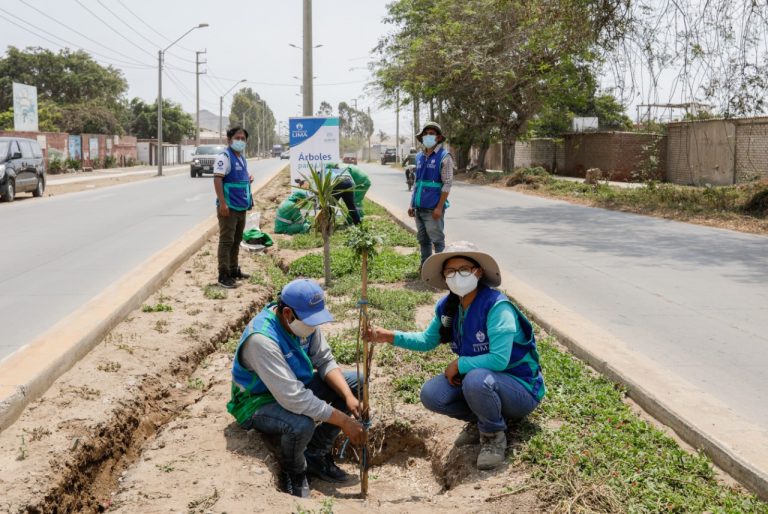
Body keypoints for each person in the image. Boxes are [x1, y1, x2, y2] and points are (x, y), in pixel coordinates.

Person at [367, 242, 545, 470]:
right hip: (484, 381)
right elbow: (427, 340)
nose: (457, 276)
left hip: (520, 389)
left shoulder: (497, 307)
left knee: (475, 379)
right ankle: (481, 420)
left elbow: (500, 360)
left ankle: (493, 437)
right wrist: (388, 336)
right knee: (432, 394)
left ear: (478, 272)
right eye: (450, 272)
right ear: (444, 277)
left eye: (464, 269)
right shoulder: (449, 307)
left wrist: (460, 364)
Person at [226, 279, 365, 498]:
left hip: (293, 386)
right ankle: (294, 472)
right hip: (258, 401)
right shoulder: (261, 340)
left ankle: (315, 455)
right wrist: (344, 421)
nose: (312, 327)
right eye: (309, 321)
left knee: (356, 383)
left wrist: (348, 396)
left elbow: (324, 360)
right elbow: (294, 399)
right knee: (300, 424)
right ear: (288, 313)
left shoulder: (304, 324)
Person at [214, 127, 254, 289]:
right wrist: (222, 203)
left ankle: (233, 269)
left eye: (243, 138)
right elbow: (217, 180)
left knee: (236, 240)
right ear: (229, 139)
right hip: (228, 207)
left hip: (240, 207)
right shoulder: (224, 157)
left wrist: (249, 178)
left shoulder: (241, 158)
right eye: (237, 138)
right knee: (226, 241)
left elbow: (239, 178)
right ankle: (223, 275)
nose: (241, 141)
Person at [409, 122, 454, 266]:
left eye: (431, 133)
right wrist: (411, 204)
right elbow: (417, 182)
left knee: (438, 241)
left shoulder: (444, 157)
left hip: (433, 208)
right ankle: (425, 268)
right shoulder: (419, 156)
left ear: (438, 137)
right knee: (423, 241)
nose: (428, 136)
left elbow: (447, 184)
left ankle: (442, 271)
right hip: (419, 207)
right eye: (425, 133)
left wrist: (439, 207)